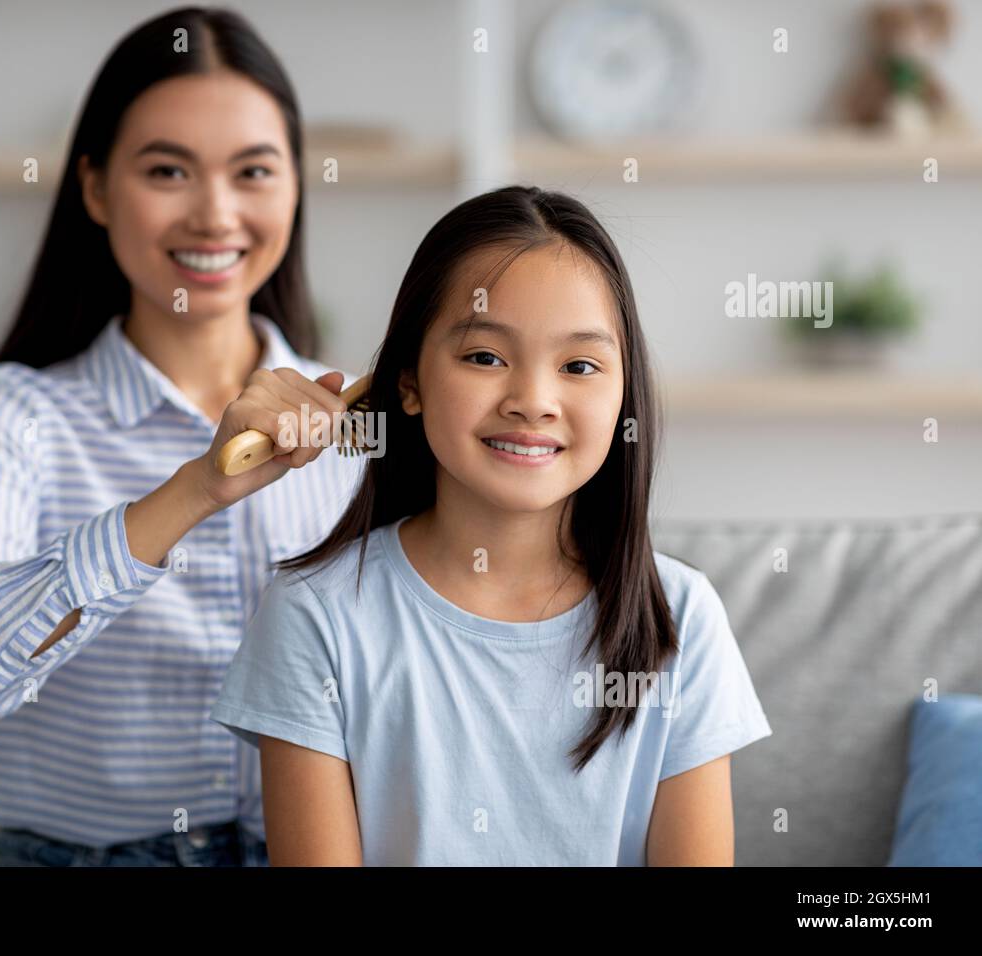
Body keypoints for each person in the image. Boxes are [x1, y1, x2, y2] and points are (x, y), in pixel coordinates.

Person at [0, 5, 366, 867]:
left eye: (254, 171)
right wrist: (198, 487)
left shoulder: (354, 425)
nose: (216, 214)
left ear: (296, 187)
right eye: (168, 171)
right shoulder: (21, 414)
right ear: (95, 188)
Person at [210, 186, 773, 865]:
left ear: (625, 391)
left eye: (579, 366)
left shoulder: (680, 617)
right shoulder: (315, 616)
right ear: (409, 382)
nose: (533, 401)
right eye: (485, 357)